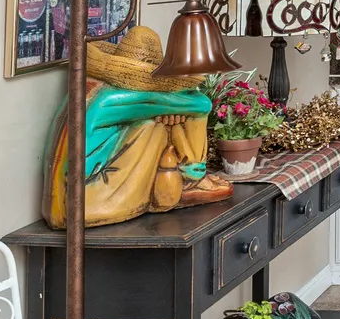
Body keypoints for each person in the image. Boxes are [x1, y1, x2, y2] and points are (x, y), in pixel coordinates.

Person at [42, 25, 231, 227]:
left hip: (69, 198)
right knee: (159, 124)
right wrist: (165, 111)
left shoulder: (93, 90)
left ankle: (192, 176)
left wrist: (164, 114)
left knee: (155, 123)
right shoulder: (116, 99)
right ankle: (194, 177)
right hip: (87, 200)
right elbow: (201, 104)